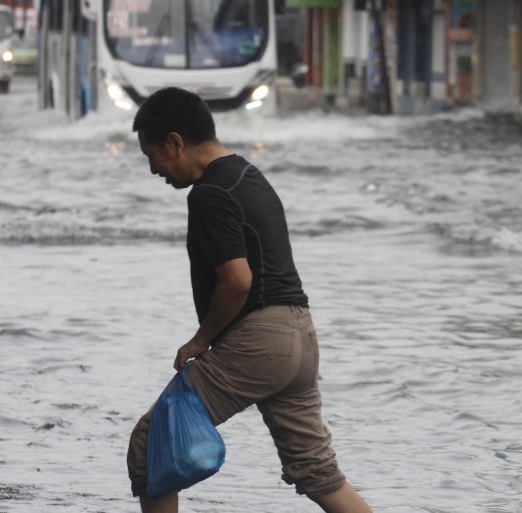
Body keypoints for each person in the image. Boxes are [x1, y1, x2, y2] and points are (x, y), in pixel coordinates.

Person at [127, 87, 372, 513]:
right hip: (300, 337)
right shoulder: (249, 175)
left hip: (260, 340)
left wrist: (200, 340)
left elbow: (238, 281)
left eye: (152, 156)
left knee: (153, 442)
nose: (153, 170)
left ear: (175, 142)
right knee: (318, 472)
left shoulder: (209, 193)